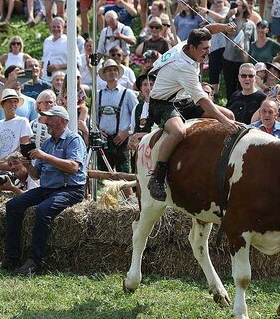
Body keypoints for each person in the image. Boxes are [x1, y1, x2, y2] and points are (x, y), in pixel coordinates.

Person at [147, 24, 241, 201]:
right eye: (204, 49)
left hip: (183, 100)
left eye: (209, 48)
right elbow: (203, 101)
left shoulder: (188, 44)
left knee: (229, 115)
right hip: (162, 104)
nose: (207, 52)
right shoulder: (184, 66)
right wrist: (224, 122)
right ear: (192, 48)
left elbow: (208, 29)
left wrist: (225, 27)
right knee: (179, 132)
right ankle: (157, 177)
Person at [1, 106, 88, 275]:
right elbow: (36, 175)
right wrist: (26, 164)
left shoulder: (74, 139)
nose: (46, 121)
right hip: (48, 188)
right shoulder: (47, 143)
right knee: (13, 205)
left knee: (42, 211)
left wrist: (44, 156)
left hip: (70, 189)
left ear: (62, 121)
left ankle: (35, 260)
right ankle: (11, 258)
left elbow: (73, 167)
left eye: (50, 118)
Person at [96, 59, 139, 174]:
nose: (112, 72)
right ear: (104, 74)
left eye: (115, 69)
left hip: (121, 141)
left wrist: (127, 132)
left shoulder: (128, 93)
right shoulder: (98, 95)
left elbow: (138, 116)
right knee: (103, 177)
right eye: (109, 70)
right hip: (103, 142)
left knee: (124, 177)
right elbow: (93, 118)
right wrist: (98, 131)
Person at [0, 89, 32, 161]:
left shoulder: (23, 121)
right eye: (10, 101)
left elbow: (24, 145)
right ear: (3, 104)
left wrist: (4, 159)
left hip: (15, 163)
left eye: (15, 101)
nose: (13, 104)